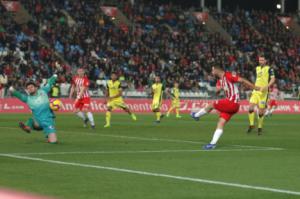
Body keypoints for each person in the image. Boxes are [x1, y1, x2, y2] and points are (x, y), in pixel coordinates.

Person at [191, 66, 261, 150]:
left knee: (212, 104)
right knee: (220, 123)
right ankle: (212, 144)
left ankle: (197, 115)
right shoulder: (220, 80)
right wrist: (218, 90)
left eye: (212, 70)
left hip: (232, 102)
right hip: (232, 106)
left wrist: (255, 87)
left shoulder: (228, 75)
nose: (212, 73)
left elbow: (242, 80)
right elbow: (217, 91)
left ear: (216, 69)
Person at [9, 75, 58, 143]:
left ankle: (48, 137)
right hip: (37, 123)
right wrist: (12, 90)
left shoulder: (43, 91)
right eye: (28, 88)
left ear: (36, 87)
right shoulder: (27, 99)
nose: (30, 88)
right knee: (31, 120)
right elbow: (19, 95)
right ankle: (27, 128)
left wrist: (54, 76)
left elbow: (49, 83)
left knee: (53, 142)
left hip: (48, 121)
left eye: (31, 87)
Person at [247, 56, 275, 135]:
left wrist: (266, 86)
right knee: (250, 107)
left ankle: (259, 127)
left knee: (260, 112)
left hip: (264, 93)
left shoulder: (269, 69)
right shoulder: (257, 68)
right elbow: (258, 79)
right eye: (260, 60)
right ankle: (252, 125)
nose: (261, 61)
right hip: (256, 91)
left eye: (262, 60)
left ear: (265, 61)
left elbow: (273, 79)